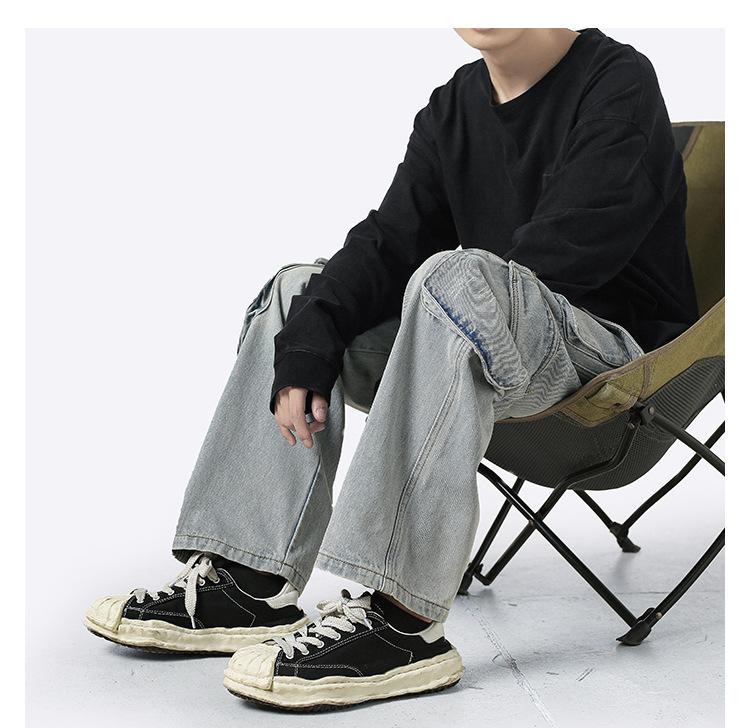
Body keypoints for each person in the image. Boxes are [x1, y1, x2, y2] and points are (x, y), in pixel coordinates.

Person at [85, 28, 699, 711]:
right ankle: (246, 581)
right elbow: (390, 241)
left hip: (612, 372)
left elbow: (574, 248)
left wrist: (446, 304)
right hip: (483, 349)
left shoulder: (618, 80)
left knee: (453, 279)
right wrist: (315, 338)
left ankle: (403, 623)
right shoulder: (454, 104)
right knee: (299, 294)